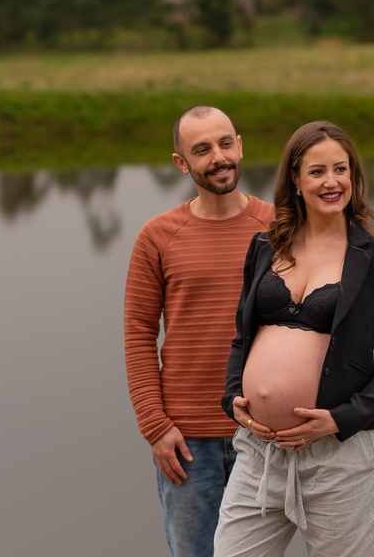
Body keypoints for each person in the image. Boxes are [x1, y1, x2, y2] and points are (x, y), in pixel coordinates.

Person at [214, 121, 374, 557]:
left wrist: (340, 419)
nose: (331, 182)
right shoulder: (264, 247)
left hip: (338, 461)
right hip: (258, 456)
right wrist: (233, 400)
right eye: (317, 171)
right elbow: (240, 339)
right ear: (295, 179)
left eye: (340, 169)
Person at [125, 105, 276, 557]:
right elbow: (138, 334)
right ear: (181, 163)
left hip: (262, 432)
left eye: (226, 143)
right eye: (202, 149)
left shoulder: (278, 227)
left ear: (240, 146)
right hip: (187, 442)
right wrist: (155, 427)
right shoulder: (157, 236)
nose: (218, 158)